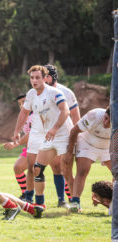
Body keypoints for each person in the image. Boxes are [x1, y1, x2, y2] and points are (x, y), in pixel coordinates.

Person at [12, 65, 72, 217]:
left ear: (45, 78)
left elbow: (66, 110)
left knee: (65, 170)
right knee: (37, 168)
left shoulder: (54, 92)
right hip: (47, 136)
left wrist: (55, 128)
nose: (34, 80)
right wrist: (16, 132)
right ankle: (39, 203)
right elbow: (24, 112)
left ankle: (73, 201)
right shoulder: (31, 94)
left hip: (62, 135)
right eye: (32, 78)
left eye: (38, 77)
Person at [44, 64, 80, 206]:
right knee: (55, 167)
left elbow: (76, 116)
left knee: (66, 169)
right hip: (50, 135)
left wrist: (77, 136)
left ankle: (74, 200)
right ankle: (61, 200)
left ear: (52, 77)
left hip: (66, 134)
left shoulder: (66, 92)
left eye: (46, 76)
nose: (44, 79)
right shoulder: (39, 92)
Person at [63, 107, 111, 213]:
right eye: (106, 118)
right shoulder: (94, 115)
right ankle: (75, 204)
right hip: (87, 143)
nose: (105, 122)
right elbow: (74, 130)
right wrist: (69, 152)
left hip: (108, 146)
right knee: (82, 171)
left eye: (109, 121)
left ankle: (113, 202)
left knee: (116, 173)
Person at [4, 94, 32, 200]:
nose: (22, 105)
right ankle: (26, 195)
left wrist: (15, 143)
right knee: (18, 168)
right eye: (20, 103)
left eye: (24, 102)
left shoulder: (37, 114)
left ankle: (69, 198)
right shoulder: (24, 115)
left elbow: (32, 133)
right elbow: (24, 129)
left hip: (43, 148)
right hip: (30, 148)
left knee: (60, 171)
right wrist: (18, 134)